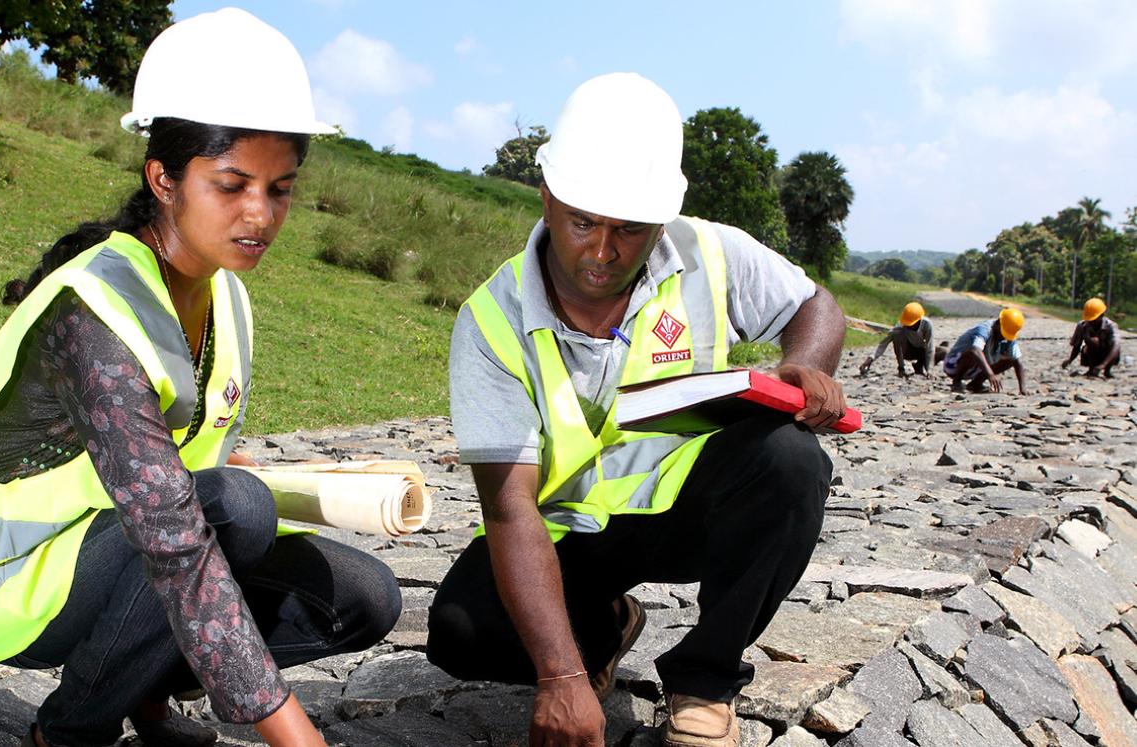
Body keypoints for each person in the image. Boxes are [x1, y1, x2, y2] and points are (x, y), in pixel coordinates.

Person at [0, 10, 399, 747]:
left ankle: (136, 686)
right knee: (234, 510)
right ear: (163, 178)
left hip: (118, 553)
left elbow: (181, 470)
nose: (260, 215)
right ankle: (70, 729)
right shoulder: (95, 313)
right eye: (231, 185)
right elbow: (177, 538)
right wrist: (298, 735)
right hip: (10, 581)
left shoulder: (225, 290)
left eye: (281, 188)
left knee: (362, 596)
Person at [426, 73, 846, 747]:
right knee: (460, 628)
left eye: (628, 229)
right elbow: (510, 508)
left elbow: (814, 305)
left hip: (689, 511)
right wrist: (560, 676)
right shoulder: (489, 320)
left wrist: (807, 365)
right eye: (583, 222)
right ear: (547, 195)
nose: (600, 250)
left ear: (661, 218)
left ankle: (703, 682)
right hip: (565, 533)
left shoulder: (707, 249)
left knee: (791, 460)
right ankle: (604, 626)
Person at [943, 308, 1026, 394]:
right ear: (998, 323)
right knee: (972, 353)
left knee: (1010, 360)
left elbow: (1017, 361)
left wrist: (1023, 389)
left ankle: (975, 384)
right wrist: (991, 374)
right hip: (953, 366)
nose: (1003, 337)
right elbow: (975, 351)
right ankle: (956, 382)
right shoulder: (984, 329)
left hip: (976, 368)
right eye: (1003, 333)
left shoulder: (1009, 336)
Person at [858, 301, 934, 377]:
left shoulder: (927, 325)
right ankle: (901, 368)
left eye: (911, 324)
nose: (908, 326)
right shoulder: (900, 326)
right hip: (907, 351)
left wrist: (929, 370)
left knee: (933, 350)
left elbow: (930, 348)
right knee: (897, 335)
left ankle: (919, 366)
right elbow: (883, 343)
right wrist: (871, 358)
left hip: (921, 351)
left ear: (919, 320)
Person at [1061, 297, 1121, 379]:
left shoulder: (1111, 326)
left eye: (1094, 319)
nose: (1091, 322)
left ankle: (1107, 370)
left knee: (1115, 348)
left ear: (1102, 315)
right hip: (1091, 354)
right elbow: (1077, 345)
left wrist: (1103, 365)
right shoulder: (1082, 326)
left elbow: (1116, 345)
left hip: (1107, 355)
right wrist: (1070, 360)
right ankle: (1091, 369)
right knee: (1093, 341)